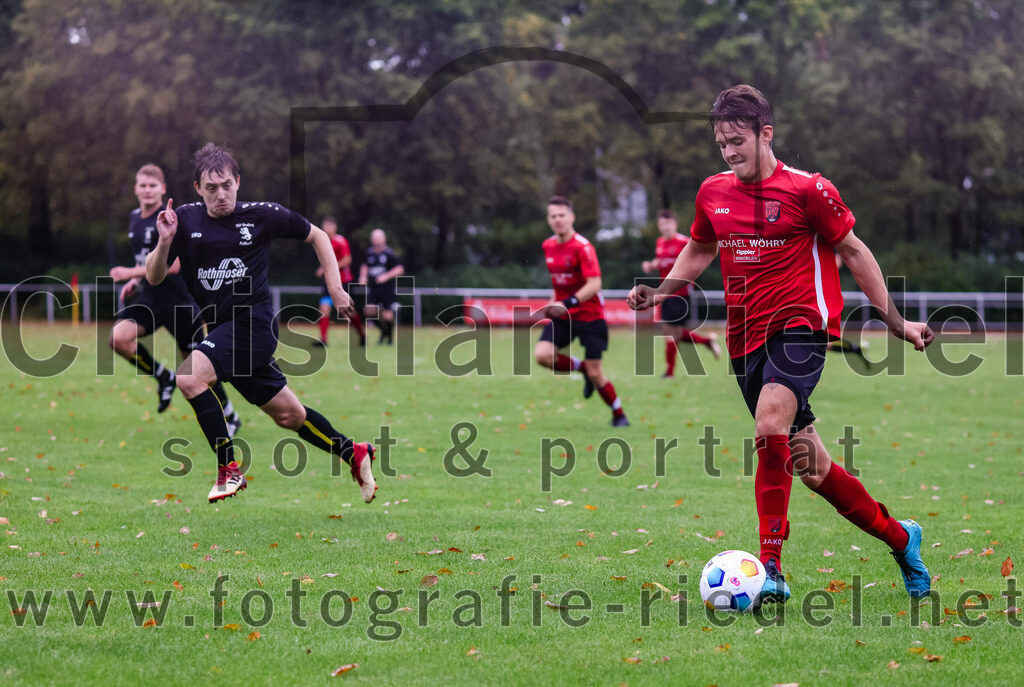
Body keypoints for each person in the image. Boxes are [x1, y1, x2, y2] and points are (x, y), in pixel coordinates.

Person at [627, 85, 934, 602]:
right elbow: (699, 248)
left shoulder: (809, 190)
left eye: (737, 140)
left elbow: (855, 252)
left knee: (770, 422)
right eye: (722, 143)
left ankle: (770, 567)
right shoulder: (712, 192)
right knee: (810, 465)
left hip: (802, 327)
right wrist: (661, 290)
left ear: (765, 134)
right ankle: (902, 539)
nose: (729, 152)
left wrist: (897, 323)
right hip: (745, 341)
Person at [146, 143, 377, 504]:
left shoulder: (261, 215)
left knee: (189, 377)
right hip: (223, 333)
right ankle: (354, 452)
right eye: (211, 188)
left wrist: (336, 287)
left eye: (226, 186)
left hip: (252, 324)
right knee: (289, 415)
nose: (220, 195)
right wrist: (163, 243)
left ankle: (228, 469)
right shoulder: (184, 220)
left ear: (238, 182)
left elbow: (317, 235)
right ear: (197, 189)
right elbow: (155, 276)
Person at [108, 164, 241, 435]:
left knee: (197, 369)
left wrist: (128, 273)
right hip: (151, 299)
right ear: (135, 189)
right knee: (118, 339)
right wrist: (136, 281)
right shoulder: (135, 218)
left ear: (162, 189)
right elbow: (144, 259)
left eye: (152, 186)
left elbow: (176, 264)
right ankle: (164, 377)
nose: (147, 190)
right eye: (142, 185)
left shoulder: (169, 218)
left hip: (180, 303)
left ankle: (229, 414)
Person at [534, 196, 628, 427]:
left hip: (590, 317)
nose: (557, 220)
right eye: (553, 216)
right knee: (543, 356)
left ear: (571, 217)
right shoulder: (548, 245)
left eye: (561, 215)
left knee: (597, 375)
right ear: (549, 219)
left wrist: (567, 302)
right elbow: (558, 282)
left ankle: (619, 414)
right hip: (564, 316)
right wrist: (552, 304)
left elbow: (595, 284)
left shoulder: (583, 247)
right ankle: (583, 368)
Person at [641, 208, 721, 376]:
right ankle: (707, 342)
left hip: (680, 293)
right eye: (662, 223)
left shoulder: (684, 242)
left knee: (669, 331)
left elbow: (695, 258)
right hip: (665, 293)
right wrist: (651, 265)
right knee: (673, 332)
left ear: (675, 224)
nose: (665, 227)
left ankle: (669, 372)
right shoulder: (660, 243)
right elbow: (661, 260)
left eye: (668, 223)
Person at [312, 216, 365, 347]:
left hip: (343, 282)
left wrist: (328, 268)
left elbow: (348, 260)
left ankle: (362, 335)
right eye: (325, 226)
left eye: (330, 226)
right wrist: (322, 268)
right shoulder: (322, 242)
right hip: (328, 282)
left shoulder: (340, 241)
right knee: (324, 308)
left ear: (335, 227)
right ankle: (323, 339)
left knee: (348, 311)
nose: (327, 228)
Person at [827, 254, 873, 371]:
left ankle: (857, 349)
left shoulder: (825, 243)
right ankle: (857, 350)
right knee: (825, 344)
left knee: (826, 343)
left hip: (825, 301)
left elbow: (838, 260)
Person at [358, 228, 404, 345]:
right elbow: (365, 266)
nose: (376, 241)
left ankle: (390, 339)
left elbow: (399, 269)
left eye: (378, 238)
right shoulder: (369, 253)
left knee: (388, 315)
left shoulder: (389, 254)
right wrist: (363, 277)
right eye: (374, 238)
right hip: (374, 289)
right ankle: (384, 331)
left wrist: (386, 276)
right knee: (369, 311)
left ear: (384, 239)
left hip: (387, 289)